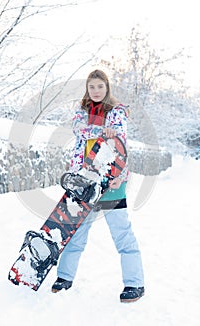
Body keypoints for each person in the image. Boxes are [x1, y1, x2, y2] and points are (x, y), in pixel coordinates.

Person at [51, 69, 144, 302]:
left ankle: (135, 283)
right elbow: (79, 129)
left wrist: (120, 174)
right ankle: (65, 277)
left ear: (107, 88)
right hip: (84, 182)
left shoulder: (117, 113)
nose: (95, 91)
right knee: (76, 233)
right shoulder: (81, 113)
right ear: (87, 89)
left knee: (122, 234)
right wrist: (103, 131)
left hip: (111, 183)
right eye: (91, 87)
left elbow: (121, 145)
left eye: (100, 87)